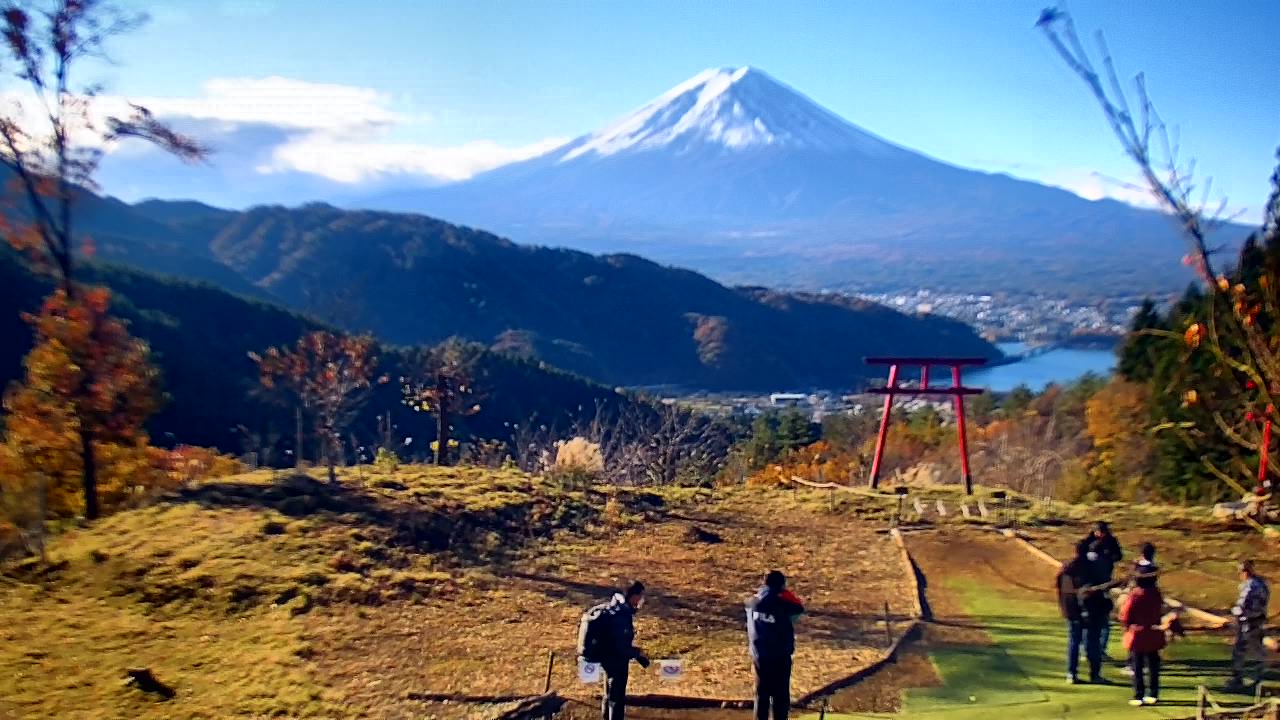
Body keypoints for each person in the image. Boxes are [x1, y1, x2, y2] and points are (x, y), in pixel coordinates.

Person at [747, 570, 805, 720]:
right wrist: (784, 592)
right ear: (781, 584)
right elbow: (799, 607)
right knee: (780, 694)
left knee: (761, 694)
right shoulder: (782, 601)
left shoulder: (752, 601)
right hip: (779, 654)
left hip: (759, 654)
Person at [595, 581, 650, 720]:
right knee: (616, 699)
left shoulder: (616, 609)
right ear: (633, 596)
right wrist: (637, 653)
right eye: (641, 596)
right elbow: (621, 645)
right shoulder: (622, 614)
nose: (642, 600)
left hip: (609, 658)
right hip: (616, 661)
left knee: (609, 695)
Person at [1119, 553, 1165, 707]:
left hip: (1137, 633)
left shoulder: (1135, 595)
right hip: (1154, 631)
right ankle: (1153, 693)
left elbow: (1125, 615)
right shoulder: (1156, 594)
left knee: (1137, 666)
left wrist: (1127, 627)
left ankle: (1139, 694)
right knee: (1153, 665)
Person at [1058, 540, 1105, 683]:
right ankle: (1094, 674)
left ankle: (1071, 673)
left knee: (1074, 642)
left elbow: (1060, 587)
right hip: (1088, 611)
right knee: (1092, 643)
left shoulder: (1066, 568)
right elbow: (1095, 589)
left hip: (1070, 609)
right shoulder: (1090, 568)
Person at [1225, 560, 1270, 693]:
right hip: (1258, 621)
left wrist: (1231, 613)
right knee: (1258, 651)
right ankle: (1259, 680)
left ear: (1245, 572)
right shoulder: (1262, 584)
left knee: (1239, 651)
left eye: (1241, 572)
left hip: (1248, 622)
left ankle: (1238, 680)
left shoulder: (1249, 586)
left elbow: (1242, 606)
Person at [1084, 522, 1123, 654]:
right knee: (1089, 618)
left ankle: (1101, 649)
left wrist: (1108, 557)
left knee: (1104, 619)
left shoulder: (1111, 541)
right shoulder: (1090, 541)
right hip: (1090, 583)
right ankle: (1089, 648)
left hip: (1105, 582)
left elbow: (1118, 556)